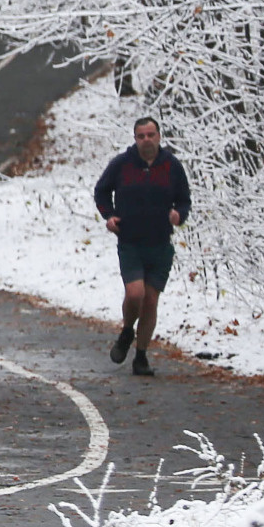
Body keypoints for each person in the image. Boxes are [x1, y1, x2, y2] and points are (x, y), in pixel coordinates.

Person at [92, 115, 190, 376]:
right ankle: (127, 331)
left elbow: (184, 200)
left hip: (160, 243)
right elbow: (101, 191)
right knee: (135, 294)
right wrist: (109, 215)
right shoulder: (122, 165)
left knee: (151, 301)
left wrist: (179, 215)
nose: (146, 140)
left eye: (151, 135)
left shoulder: (172, 166)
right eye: (141, 136)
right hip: (131, 241)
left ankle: (141, 356)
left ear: (159, 136)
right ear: (135, 139)